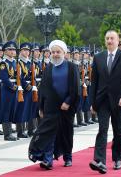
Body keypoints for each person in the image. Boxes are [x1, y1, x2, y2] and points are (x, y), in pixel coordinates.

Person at [89, 30, 121, 174]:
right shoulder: (98, 58)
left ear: (117, 41)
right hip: (102, 100)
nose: (109, 41)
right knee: (102, 130)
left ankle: (117, 158)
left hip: (119, 100)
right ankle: (99, 161)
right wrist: (93, 102)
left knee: (118, 130)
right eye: (107, 38)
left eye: (112, 38)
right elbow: (94, 82)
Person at [28, 39, 80, 170]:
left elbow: (75, 89)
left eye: (58, 52)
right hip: (51, 106)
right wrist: (41, 107)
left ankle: (68, 157)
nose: (56, 54)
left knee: (66, 132)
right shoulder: (48, 68)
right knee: (48, 133)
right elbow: (43, 90)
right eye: (53, 52)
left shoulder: (72, 67)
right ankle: (47, 160)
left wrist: (68, 102)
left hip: (66, 107)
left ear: (64, 52)